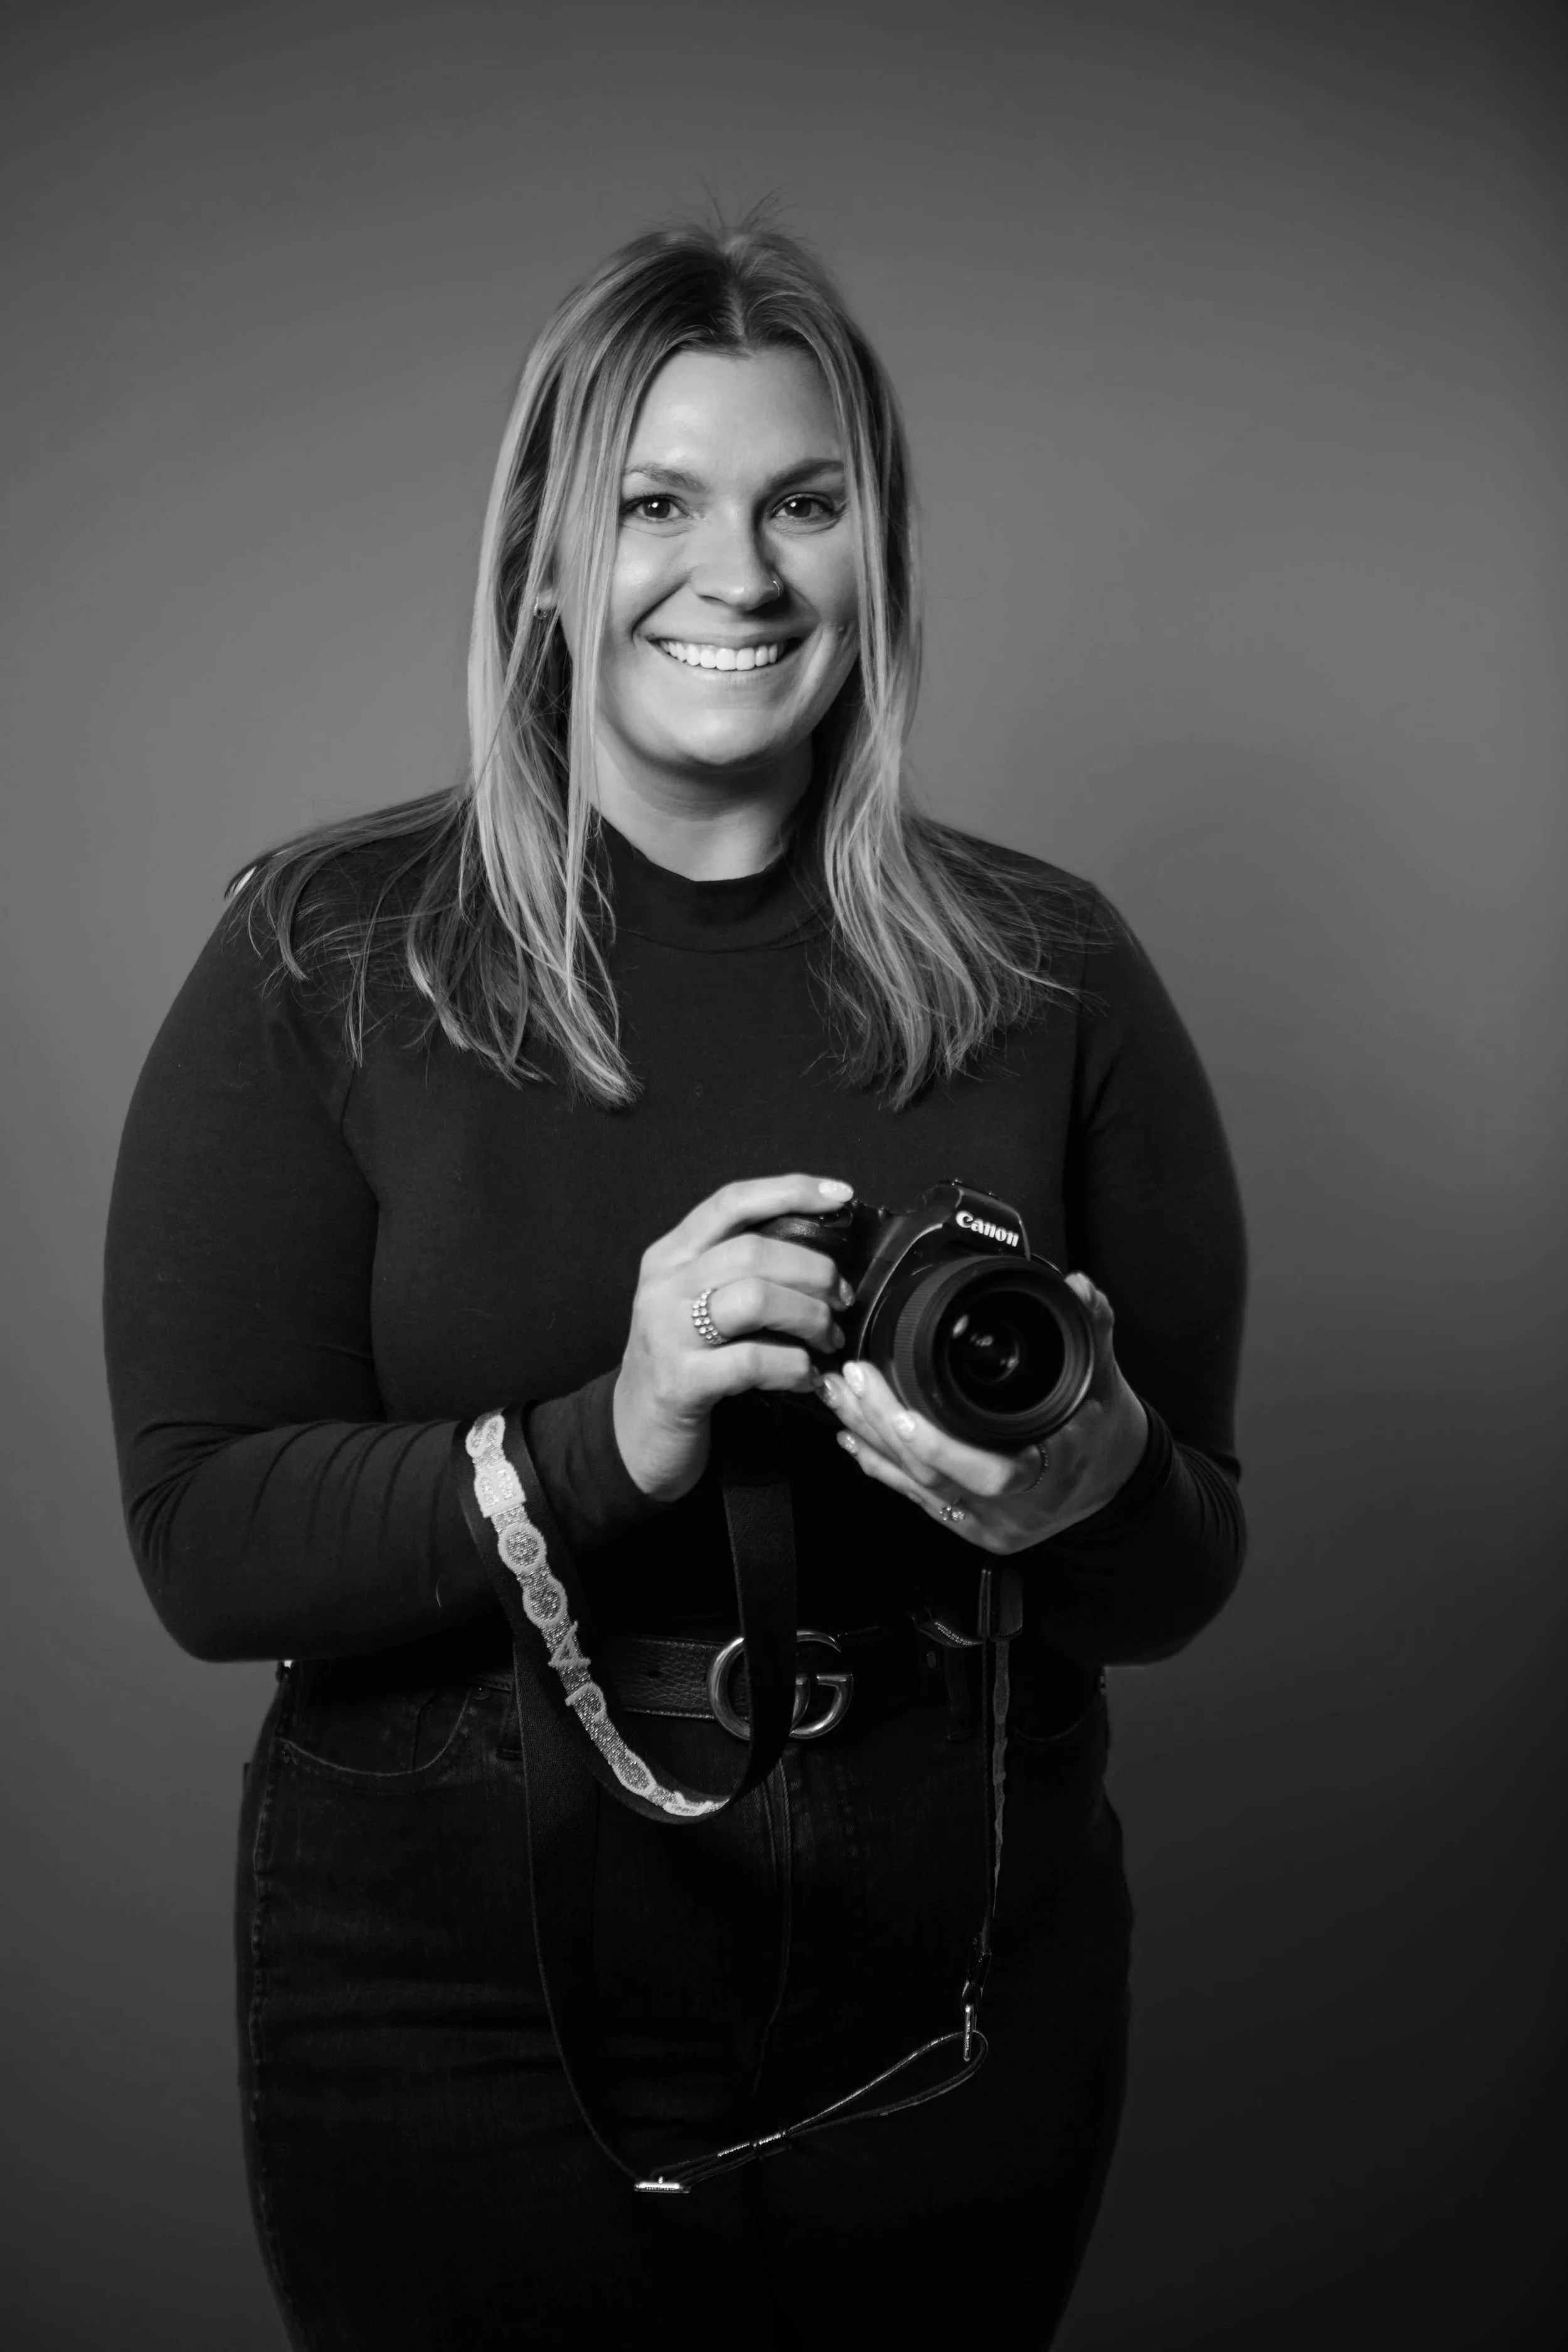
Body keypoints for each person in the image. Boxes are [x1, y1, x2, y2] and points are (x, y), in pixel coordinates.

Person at [104, 215, 1246, 2349]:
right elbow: (203, 1540)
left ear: (873, 550)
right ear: (543, 553)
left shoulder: (1048, 970)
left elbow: (1184, 1568)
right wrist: (607, 1436)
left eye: (802, 503)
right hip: (442, 1947)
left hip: (952, 1921)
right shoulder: (331, 953)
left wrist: (1083, 1482)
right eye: (654, 502)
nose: (736, 573)